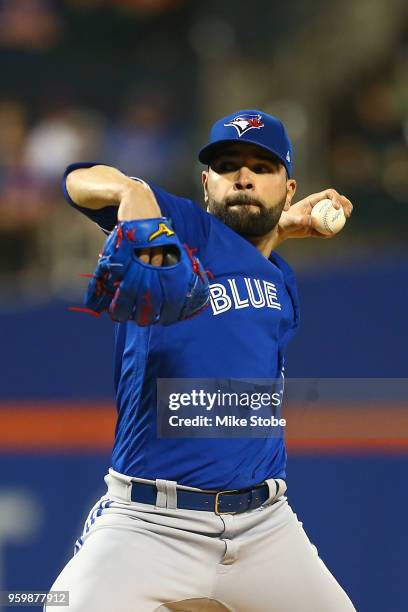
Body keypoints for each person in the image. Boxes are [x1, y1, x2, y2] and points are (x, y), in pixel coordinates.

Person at [48, 110, 355, 612]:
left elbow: (245, 254)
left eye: (262, 166)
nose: (244, 175)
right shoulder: (182, 228)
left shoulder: (281, 282)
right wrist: (130, 190)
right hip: (151, 522)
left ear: (289, 187)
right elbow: (76, 180)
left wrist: (282, 229)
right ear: (206, 182)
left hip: (264, 525)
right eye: (228, 164)